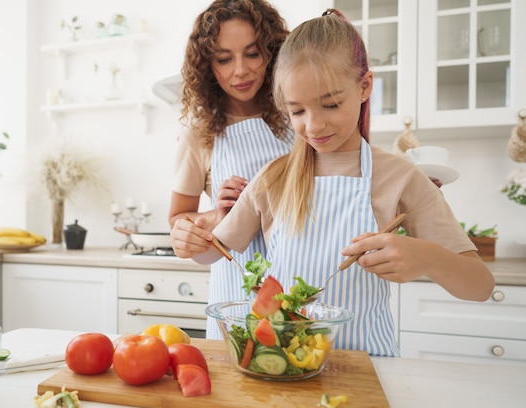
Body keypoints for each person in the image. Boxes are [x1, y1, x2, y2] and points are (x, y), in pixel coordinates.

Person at [170, 9, 495, 356]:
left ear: (365, 86)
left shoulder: (400, 178)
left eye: (331, 104)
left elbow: (480, 286)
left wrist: (429, 258)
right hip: (287, 368)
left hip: (369, 372)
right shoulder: (272, 179)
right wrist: (189, 239)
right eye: (297, 111)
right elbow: (213, 252)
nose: (315, 126)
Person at [168, 0, 294, 339]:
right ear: (208, 66)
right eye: (224, 59)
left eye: (252, 54)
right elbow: (180, 218)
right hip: (235, 293)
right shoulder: (200, 132)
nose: (240, 70)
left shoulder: (298, 116)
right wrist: (217, 216)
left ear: (272, 53)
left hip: (301, 285)